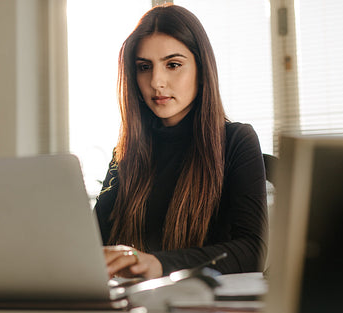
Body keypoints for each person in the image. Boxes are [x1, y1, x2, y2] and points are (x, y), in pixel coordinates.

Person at [94, 4, 267, 280]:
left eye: (173, 65)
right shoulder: (126, 152)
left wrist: (158, 264)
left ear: (201, 69)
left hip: (205, 308)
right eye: (144, 67)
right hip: (133, 307)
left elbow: (252, 251)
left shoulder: (237, 140)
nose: (156, 82)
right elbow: (94, 245)